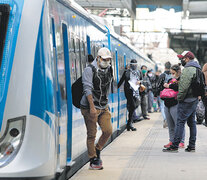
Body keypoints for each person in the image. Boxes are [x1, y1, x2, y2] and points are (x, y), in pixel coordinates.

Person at [80, 47, 113, 170]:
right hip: (90, 106)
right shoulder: (89, 70)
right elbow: (87, 89)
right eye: (104, 59)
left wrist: (106, 103)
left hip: (103, 106)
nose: (107, 62)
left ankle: (98, 149)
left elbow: (108, 86)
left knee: (108, 130)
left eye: (108, 60)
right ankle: (93, 159)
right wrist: (92, 108)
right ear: (98, 58)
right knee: (91, 134)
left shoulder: (109, 69)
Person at [163, 51, 200, 152]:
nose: (181, 61)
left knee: (180, 122)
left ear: (187, 58)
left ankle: (175, 146)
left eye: (182, 58)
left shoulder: (188, 69)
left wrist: (179, 98)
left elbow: (183, 87)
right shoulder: (197, 68)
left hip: (187, 100)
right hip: (194, 99)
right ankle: (192, 146)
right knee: (192, 123)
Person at [162, 64, 185, 148]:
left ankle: (181, 141)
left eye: (173, 73)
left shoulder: (181, 79)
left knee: (178, 124)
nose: (171, 74)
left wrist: (169, 86)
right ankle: (171, 141)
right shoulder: (170, 79)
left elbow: (180, 88)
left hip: (176, 104)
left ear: (178, 72)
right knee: (170, 125)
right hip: (167, 104)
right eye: (170, 73)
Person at [118, 59, 141, 131]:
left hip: (135, 91)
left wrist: (139, 82)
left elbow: (141, 80)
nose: (134, 66)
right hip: (128, 91)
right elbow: (121, 81)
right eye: (132, 65)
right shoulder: (126, 72)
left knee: (133, 106)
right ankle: (130, 123)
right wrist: (115, 88)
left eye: (135, 65)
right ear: (130, 65)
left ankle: (129, 124)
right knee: (133, 106)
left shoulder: (138, 72)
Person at [157, 61, 172, 128]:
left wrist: (157, 92)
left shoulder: (162, 75)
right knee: (169, 107)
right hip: (171, 94)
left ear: (165, 67)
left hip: (163, 94)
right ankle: (169, 119)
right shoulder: (172, 75)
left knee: (162, 107)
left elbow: (158, 85)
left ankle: (166, 119)